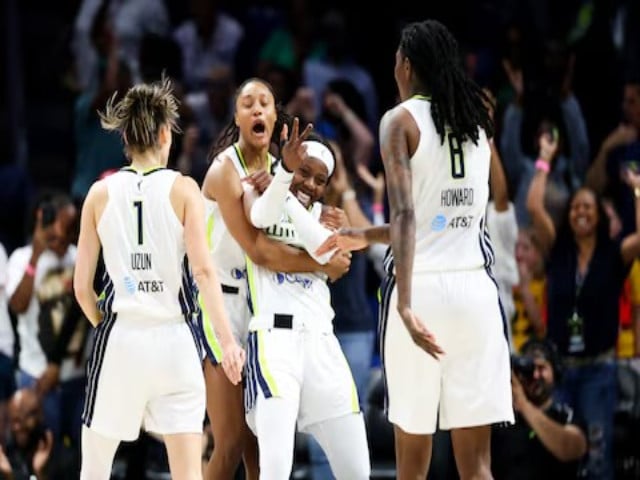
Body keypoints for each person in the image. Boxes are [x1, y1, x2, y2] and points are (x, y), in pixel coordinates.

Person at [317, 19, 514, 479]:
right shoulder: (477, 126)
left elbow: (408, 216)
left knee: (412, 464)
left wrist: (403, 304)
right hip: (475, 295)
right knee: (477, 464)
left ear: (405, 65)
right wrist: (364, 235)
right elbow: (437, 222)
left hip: (421, 290)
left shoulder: (398, 121)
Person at [73, 76, 245, 480]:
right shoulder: (185, 188)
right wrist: (227, 341)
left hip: (121, 337)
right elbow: (203, 272)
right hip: (175, 342)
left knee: (94, 470)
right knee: (187, 473)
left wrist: (108, 327)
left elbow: (83, 289)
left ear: (126, 139)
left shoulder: (99, 193)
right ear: (166, 133)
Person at [200, 77, 350, 480]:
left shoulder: (280, 170)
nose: (257, 110)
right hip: (223, 307)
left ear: (274, 114)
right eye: (247, 103)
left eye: (264, 103)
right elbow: (260, 250)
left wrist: (328, 225)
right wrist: (323, 263)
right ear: (236, 117)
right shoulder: (224, 171)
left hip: (260, 306)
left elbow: (303, 227)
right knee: (230, 443)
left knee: (262, 454)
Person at [242, 135, 370, 480]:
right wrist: (282, 184)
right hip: (274, 341)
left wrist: (287, 194)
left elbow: (336, 259)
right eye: (304, 172)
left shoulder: (324, 216)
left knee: (357, 470)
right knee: (276, 469)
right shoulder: (260, 193)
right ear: (288, 165)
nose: (310, 184)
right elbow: (262, 216)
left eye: (320, 180)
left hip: (322, 342)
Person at [526, 124, 640, 480]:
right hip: (561, 369)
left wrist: (636, 191)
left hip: (598, 370)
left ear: (600, 215)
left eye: (588, 207)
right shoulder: (557, 252)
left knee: (597, 452)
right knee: (557, 457)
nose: (581, 212)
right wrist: (544, 161)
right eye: (576, 206)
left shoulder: (614, 254)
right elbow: (532, 205)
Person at [492, 339, 587, 479]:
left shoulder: (566, 416)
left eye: (541, 368)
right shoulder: (502, 420)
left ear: (555, 372)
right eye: (529, 370)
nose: (535, 376)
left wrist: (524, 405)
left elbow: (570, 448)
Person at [0, 388, 78, 480]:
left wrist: (40, 473)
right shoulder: (9, 455)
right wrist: (8, 476)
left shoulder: (64, 458)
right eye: (13, 421)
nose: (16, 427)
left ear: (39, 416)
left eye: (21, 419)